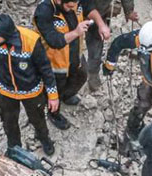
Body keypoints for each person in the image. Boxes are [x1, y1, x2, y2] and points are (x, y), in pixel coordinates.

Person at [0, 14, 59, 156]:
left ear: (7, 35)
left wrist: (53, 96)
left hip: (31, 91)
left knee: (38, 119)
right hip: (6, 91)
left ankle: (44, 139)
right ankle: (14, 147)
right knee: (9, 122)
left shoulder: (31, 41)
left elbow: (45, 69)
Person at [34, 0, 110, 130]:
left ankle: (67, 96)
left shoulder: (75, 2)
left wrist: (101, 24)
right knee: (55, 90)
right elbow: (54, 41)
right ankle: (54, 114)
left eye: (76, 5)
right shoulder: (44, 12)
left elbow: (89, 7)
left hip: (75, 55)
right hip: (55, 62)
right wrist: (76, 32)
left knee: (81, 76)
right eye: (69, 6)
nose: (73, 8)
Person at [87, 0, 138, 92]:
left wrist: (129, 11)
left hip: (100, 10)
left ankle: (93, 72)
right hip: (73, 9)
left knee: (96, 40)